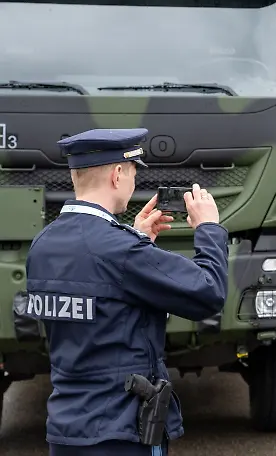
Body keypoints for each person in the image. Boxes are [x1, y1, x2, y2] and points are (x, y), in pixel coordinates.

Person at [24, 128, 228, 455]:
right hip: (120, 434)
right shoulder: (122, 252)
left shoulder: (43, 245)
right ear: (117, 174)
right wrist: (209, 230)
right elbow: (208, 292)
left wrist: (136, 238)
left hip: (67, 431)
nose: (133, 182)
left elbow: (96, 292)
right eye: (133, 172)